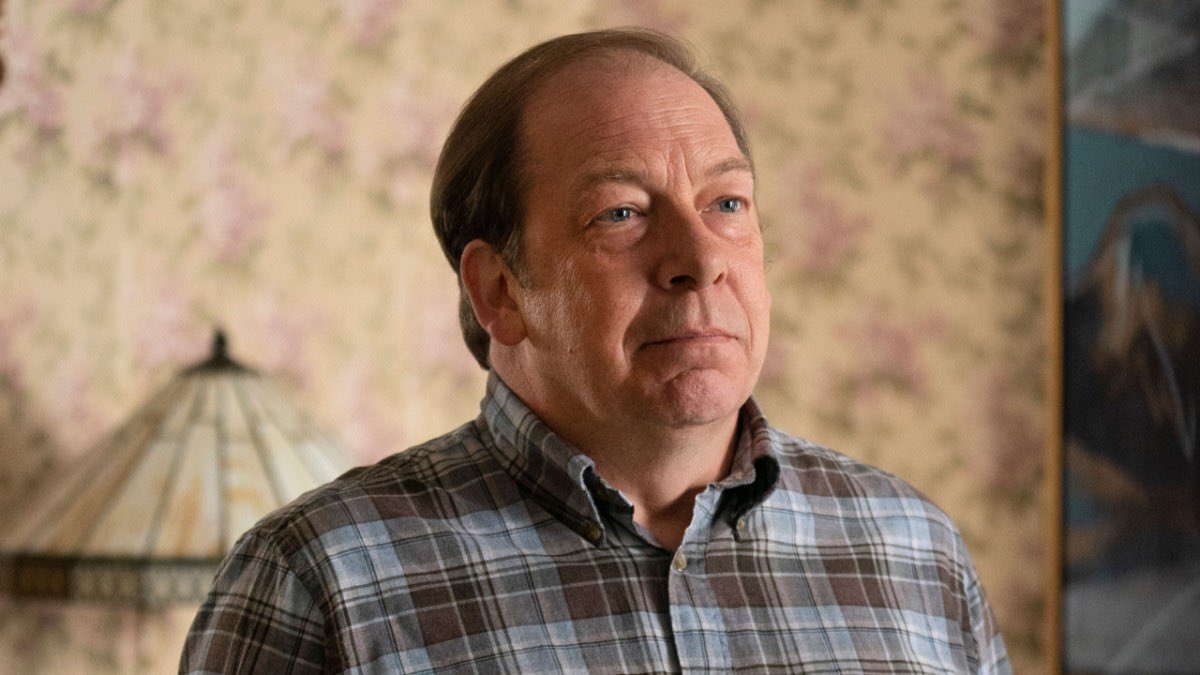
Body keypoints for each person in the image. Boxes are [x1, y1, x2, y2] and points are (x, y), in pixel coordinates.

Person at [181, 28, 1009, 673]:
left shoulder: (913, 551)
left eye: (726, 202)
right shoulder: (319, 580)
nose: (701, 259)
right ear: (499, 290)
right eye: (621, 213)